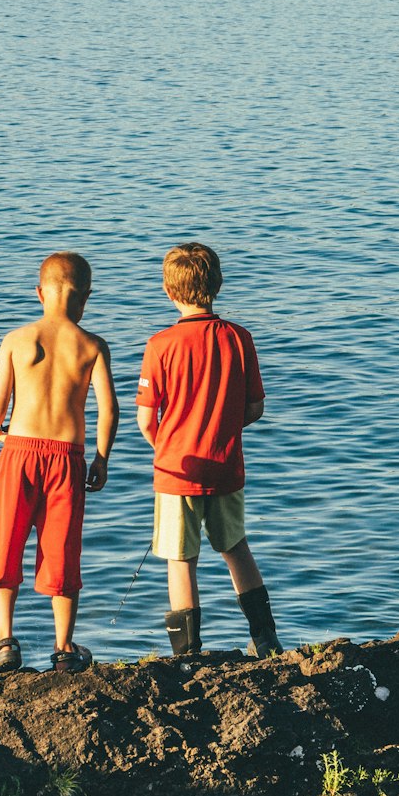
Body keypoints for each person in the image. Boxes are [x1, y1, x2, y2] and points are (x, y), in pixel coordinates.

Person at [135, 241, 281, 658]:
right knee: (236, 547)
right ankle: (266, 639)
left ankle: (187, 653)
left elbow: (147, 419)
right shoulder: (239, 337)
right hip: (226, 465)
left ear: (167, 290)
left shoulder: (160, 345)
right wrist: (220, 429)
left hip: (177, 470)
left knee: (181, 559)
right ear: (217, 285)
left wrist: (167, 445)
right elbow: (255, 407)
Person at [0, 251, 119, 675]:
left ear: (39, 293)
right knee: (62, 551)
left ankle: (4, 642)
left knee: (5, 543)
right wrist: (102, 459)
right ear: (86, 298)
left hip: (18, 454)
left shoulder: (18, 340)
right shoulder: (92, 346)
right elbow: (109, 410)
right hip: (67, 460)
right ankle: (64, 648)